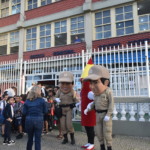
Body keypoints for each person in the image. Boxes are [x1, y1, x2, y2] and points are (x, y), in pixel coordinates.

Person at [84, 65, 114, 150]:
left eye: (95, 82)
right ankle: (102, 147)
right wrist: (88, 108)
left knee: (107, 132)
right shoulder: (96, 94)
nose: (91, 86)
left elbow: (111, 104)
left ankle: (109, 147)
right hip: (97, 114)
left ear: (106, 83)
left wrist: (108, 114)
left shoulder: (108, 92)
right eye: (91, 83)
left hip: (105, 115)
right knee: (98, 132)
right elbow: (95, 103)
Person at [55, 71, 80, 145]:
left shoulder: (72, 91)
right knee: (63, 125)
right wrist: (56, 99)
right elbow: (55, 97)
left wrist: (75, 104)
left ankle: (72, 138)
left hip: (69, 109)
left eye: (67, 83)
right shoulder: (59, 91)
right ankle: (65, 138)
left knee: (69, 125)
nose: (65, 85)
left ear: (72, 84)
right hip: (61, 109)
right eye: (63, 83)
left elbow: (76, 100)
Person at [23, 85, 47, 150]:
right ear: (39, 92)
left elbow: (24, 112)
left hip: (29, 120)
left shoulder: (27, 101)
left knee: (30, 139)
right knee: (37, 139)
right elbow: (45, 111)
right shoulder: (42, 100)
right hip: (39, 120)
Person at [80, 58, 96, 150]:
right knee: (87, 127)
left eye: (82, 82)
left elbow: (96, 99)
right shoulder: (84, 91)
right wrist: (80, 104)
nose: (81, 83)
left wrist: (90, 106)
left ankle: (92, 143)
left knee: (90, 128)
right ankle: (89, 142)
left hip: (89, 112)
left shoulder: (90, 92)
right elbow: (83, 98)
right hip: (85, 112)